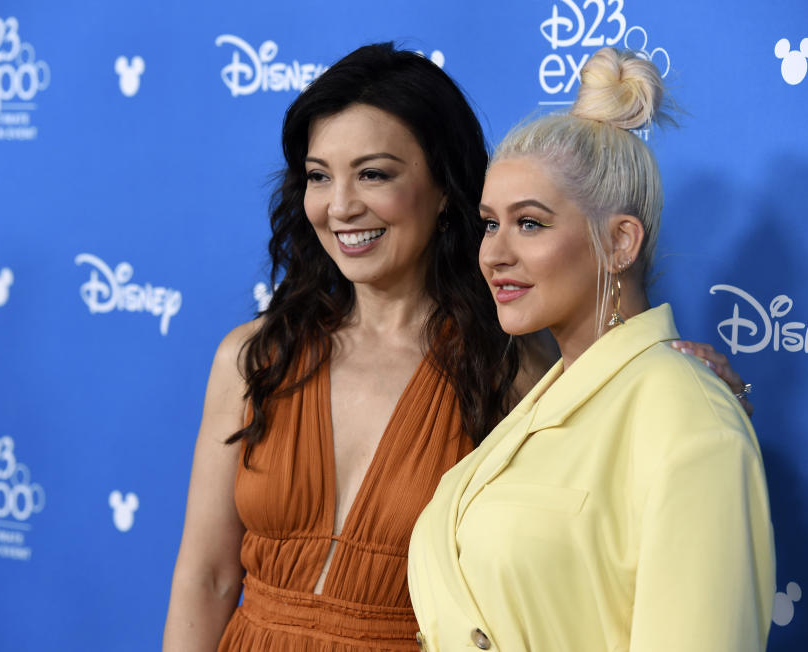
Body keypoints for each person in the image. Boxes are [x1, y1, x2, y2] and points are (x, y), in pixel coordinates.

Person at [163, 44, 754, 651]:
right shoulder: (256, 358)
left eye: (373, 174)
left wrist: (677, 380)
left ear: (443, 188)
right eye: (319, 176)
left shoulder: (512, 369)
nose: (340, 206)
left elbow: (613, 435)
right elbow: (206, 578)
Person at [407, 46, 775, 652]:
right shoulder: (540, 393)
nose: (494, 253)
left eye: (529, 223)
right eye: (489, 223)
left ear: (620, 242)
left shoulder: (687, 416)